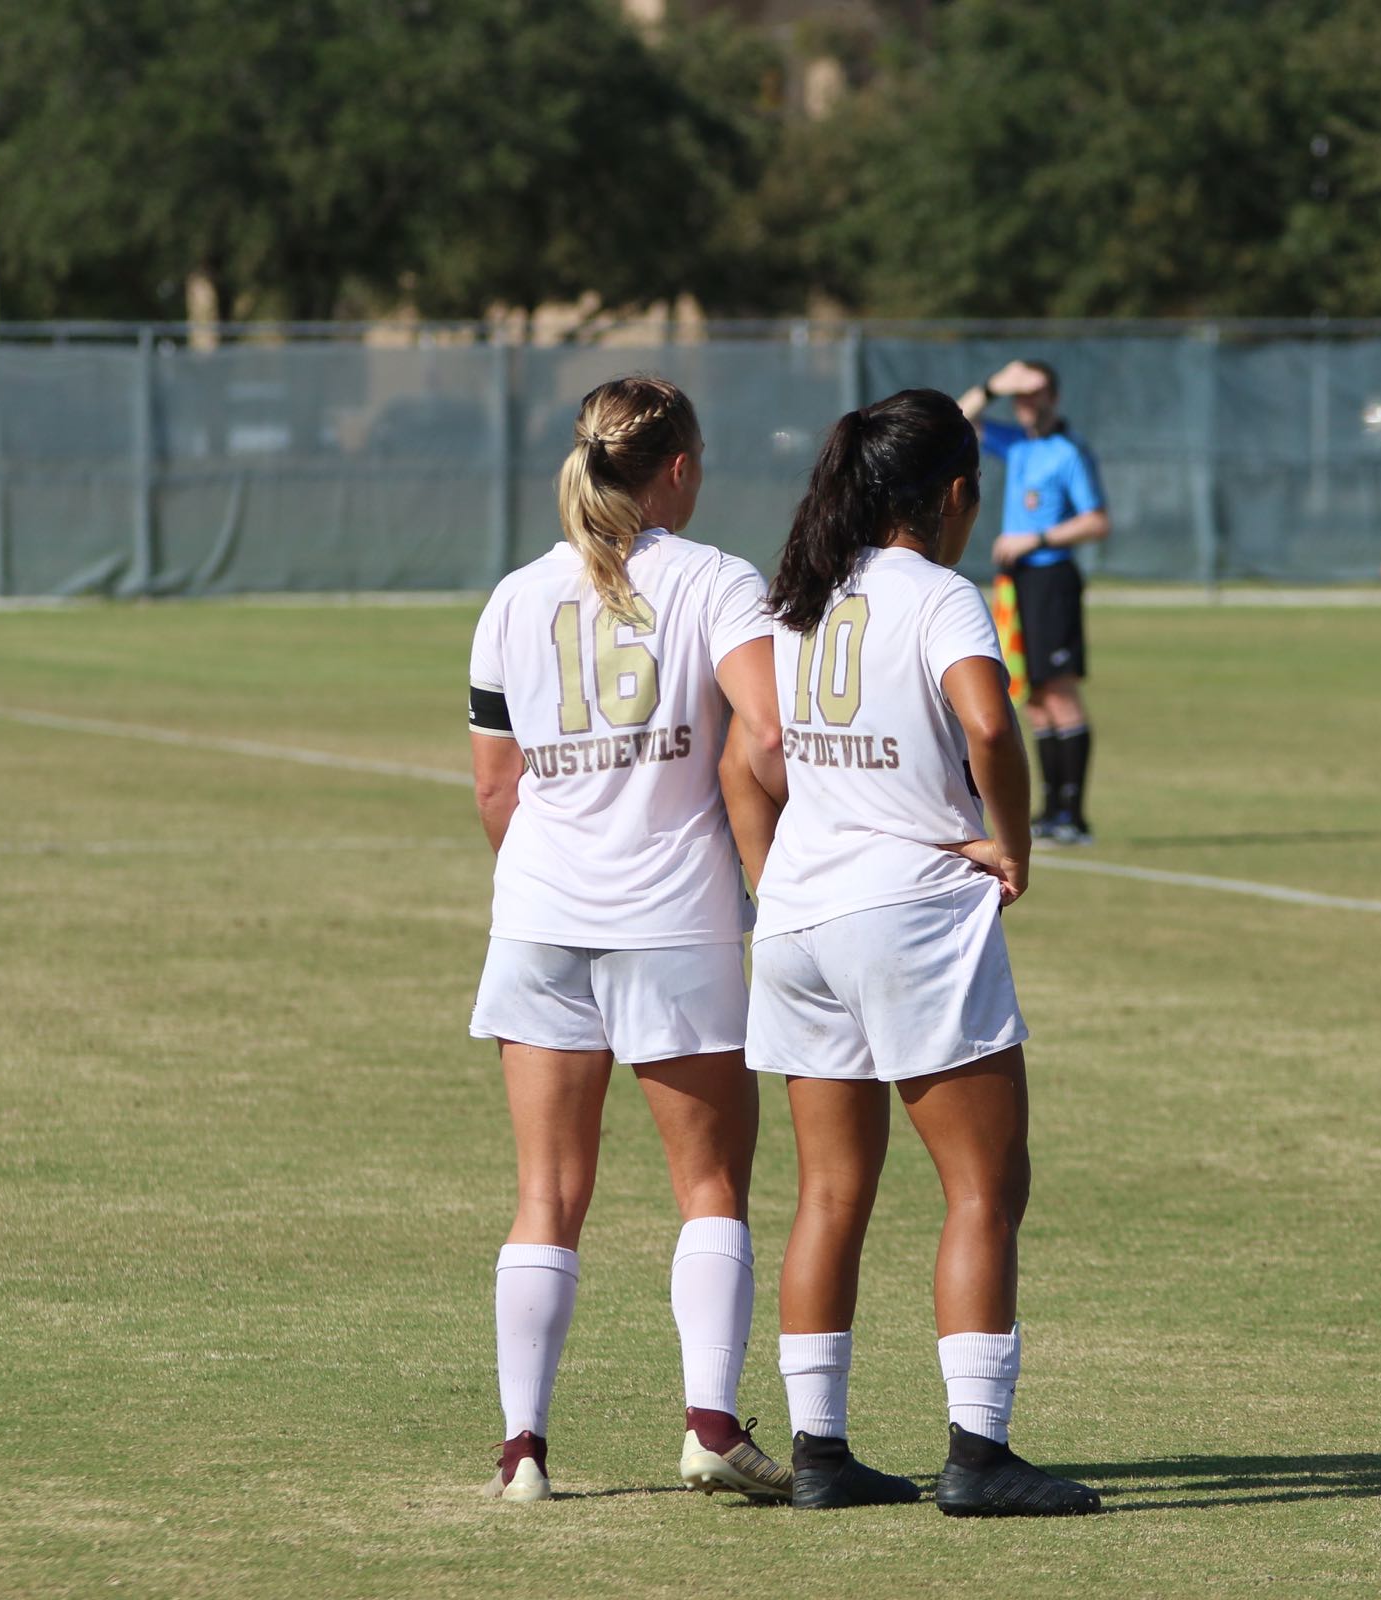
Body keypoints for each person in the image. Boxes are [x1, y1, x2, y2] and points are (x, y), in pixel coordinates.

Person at [730, 389, 1102, 1517]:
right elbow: (992, 723)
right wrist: (1014, 841)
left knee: (830, 1190)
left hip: (798, 912)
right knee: (986, 1184)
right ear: (952, 496)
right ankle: (979, 1455)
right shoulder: (939, 593)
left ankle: (820, 1451)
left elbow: (759, 751)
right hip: (910, 912)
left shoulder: (802, 591)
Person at [465, 375, 793, 1505]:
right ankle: (709, 1423)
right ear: (681, 469)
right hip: (677, 920)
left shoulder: (513, 596)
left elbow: (496, 790)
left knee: (545, 1195)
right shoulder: (719, 580)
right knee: (709, 1184)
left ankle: (523, 1453)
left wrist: (565, 870)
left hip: (540, 917)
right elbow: (771, 732)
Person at [959, 359, 1110, 844]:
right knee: (1036, 697)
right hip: (1018, 583)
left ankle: (1074, 814)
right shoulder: (1019, 443)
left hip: (1052, 579)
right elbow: (959, 423)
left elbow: (1096, 521)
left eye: (1036, 393)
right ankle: (1050, 811)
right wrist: (993, 384)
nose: (1028, 403)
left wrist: (1037, 538)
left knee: (1060, 693)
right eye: (1021, 395)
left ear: (1054, 398)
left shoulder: (1068, 452)